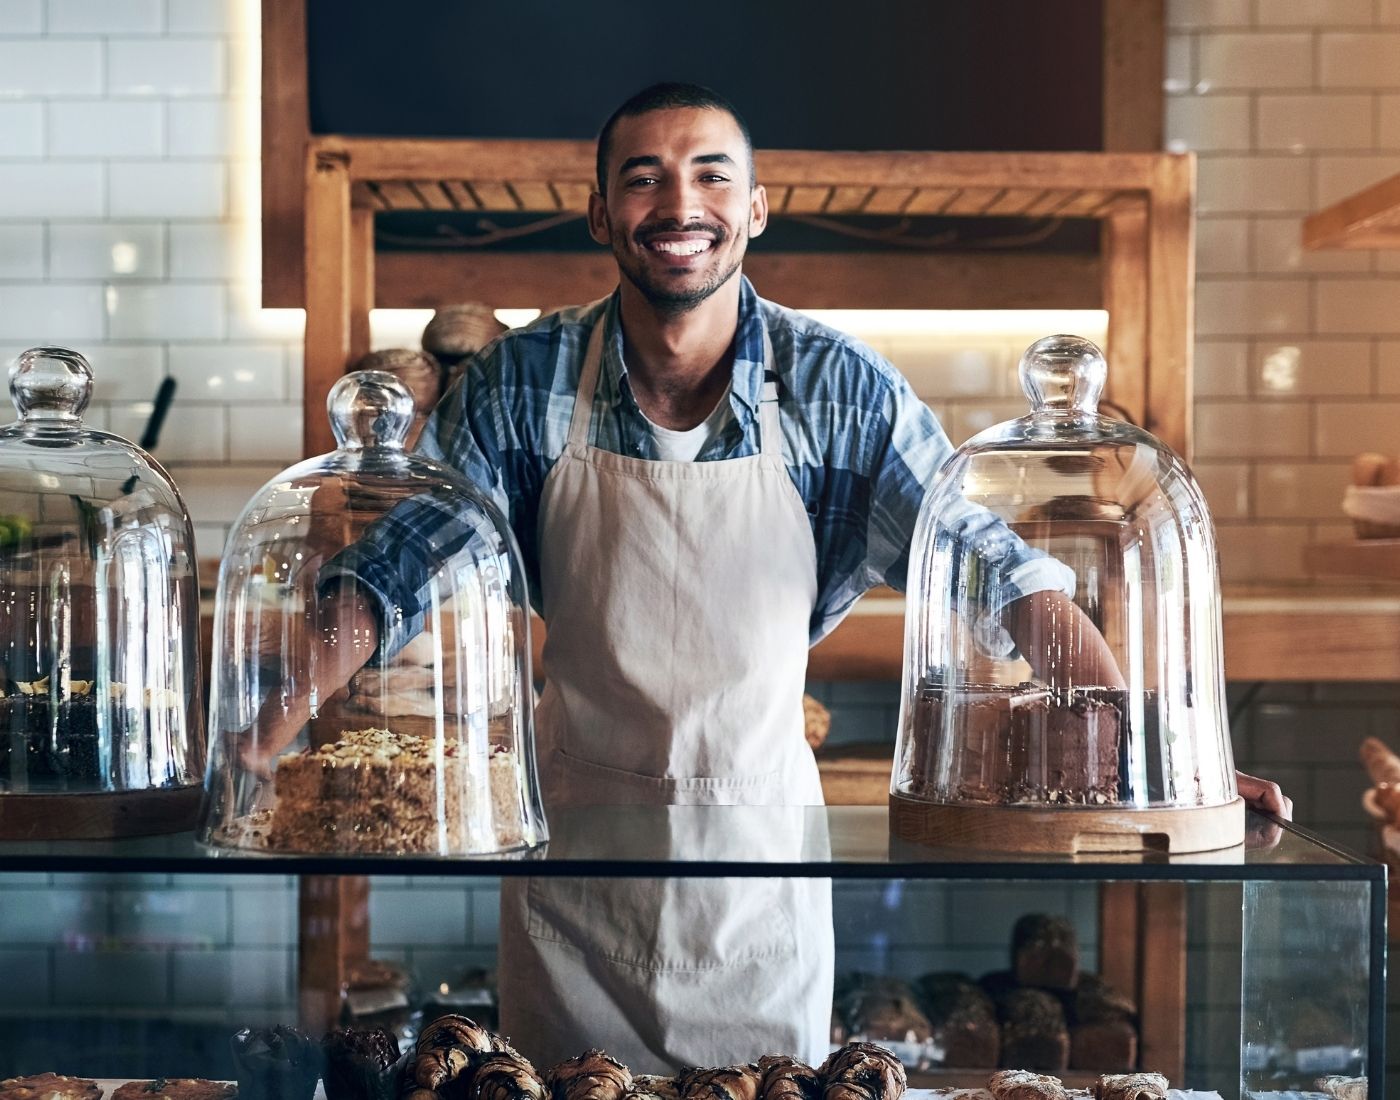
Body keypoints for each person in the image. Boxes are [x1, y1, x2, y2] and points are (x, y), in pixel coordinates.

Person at [264, 82, 1291, 1069]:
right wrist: (261, 735)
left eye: (711, 177)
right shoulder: (520, 384)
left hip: (761, 869)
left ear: (753, 209)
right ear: (597, 212)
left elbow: (998, 577)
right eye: (642, 178)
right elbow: (393, 571)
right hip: (575, 877)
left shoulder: (836, 391)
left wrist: (1161, 763)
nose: (678, 205)